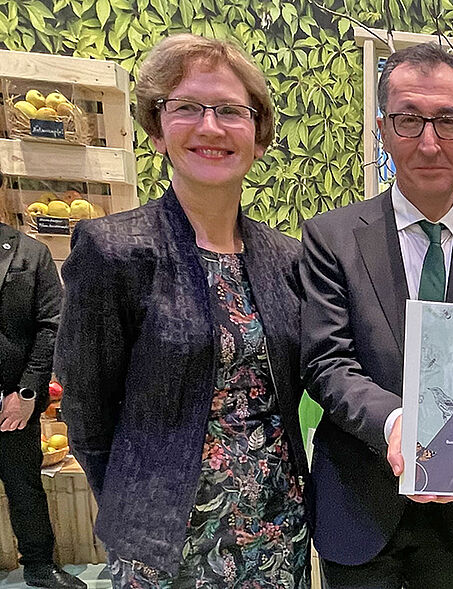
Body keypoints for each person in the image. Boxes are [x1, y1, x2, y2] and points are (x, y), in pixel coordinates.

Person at [55, 34, 310, 587]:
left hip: (276, 527)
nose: (211, 127)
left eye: (231, 111)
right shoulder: (114, 250)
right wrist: (133, 505)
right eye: (188, 107)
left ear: (259, 136)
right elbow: (85, 409)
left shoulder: (286, 258)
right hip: (166, 541)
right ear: (156, 131)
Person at [299, 43, 453, 589]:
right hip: (360, 504)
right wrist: (399, 423)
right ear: (383, 128)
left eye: (447, 121)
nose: (429, 141)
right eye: (408, 120)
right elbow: (327, 362)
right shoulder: (331, 240)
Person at [0, 220, 84, 589]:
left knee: (24, 487)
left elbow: (52, 325)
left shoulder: (29, 252)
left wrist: (27, 392)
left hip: (12, 398)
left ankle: (38, 566)